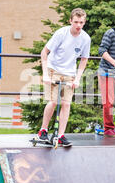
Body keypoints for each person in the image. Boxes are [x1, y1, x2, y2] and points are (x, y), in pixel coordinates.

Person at [36, 8, 91, 147]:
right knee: (53, 102)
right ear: (70, 21)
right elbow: (44, 52)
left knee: (66, 104)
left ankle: (61, 135)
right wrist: (45, 74)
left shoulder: (85, 38)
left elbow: (84, 59)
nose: (78, 25)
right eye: (76, 22)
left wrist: (77, 78)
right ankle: (43, 130)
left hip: (69, 73)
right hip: (53, 70)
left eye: (81, 22)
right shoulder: (61, 33)